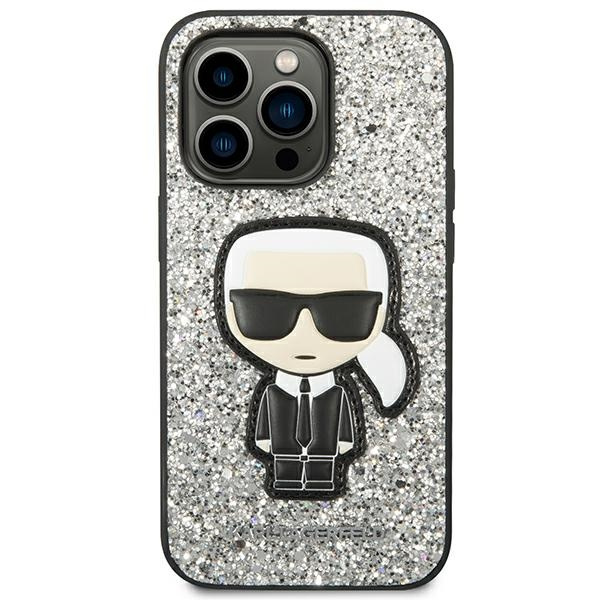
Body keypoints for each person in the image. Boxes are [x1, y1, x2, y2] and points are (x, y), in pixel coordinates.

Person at [215, 218, 419, 498]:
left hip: (326, 454)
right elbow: (264, 426)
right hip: (283, 453)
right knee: (286, 470)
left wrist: (344, 442)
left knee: (322, 470)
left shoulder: (335, 393)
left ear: (378, 315)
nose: (304, 331)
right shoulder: (275, 392)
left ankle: (323, 480)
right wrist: (264, 441)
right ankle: (285, 480)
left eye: (343, 314)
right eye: (267, 313)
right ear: (231, 309)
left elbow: (344, 425)